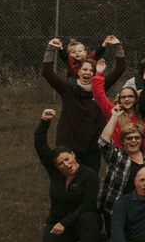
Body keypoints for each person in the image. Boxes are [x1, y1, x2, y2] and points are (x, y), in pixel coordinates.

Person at [34, 108, 102, 242]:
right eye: (61, 163)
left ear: (73, 155)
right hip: (58, 220)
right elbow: (41, 146)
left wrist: (64, 222)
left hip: (84, 219)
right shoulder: (56, 173)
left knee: (89, 218)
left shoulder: (89, 175)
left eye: (67, 159)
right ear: (56, 167)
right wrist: (44, 122)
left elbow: (87, 204)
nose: (66, 164)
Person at [42, 36, 126, 168]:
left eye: (92, 71)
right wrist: (51, 48)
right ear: (78, 71)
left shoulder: (100, 88)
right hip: (69, 145)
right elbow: (48, 73)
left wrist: (117, 46)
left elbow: (120, 69)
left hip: (92, 146)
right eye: (85, 69)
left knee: (91, 181)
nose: (88, 73)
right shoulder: (67, 89)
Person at [95, 110, 145, 214]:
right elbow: (103, 142)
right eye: (129, 138)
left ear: (141, 140)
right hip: (117, 210)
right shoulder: (116, 156)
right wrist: (114, 116)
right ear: (123, 141)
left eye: (137, 138)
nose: (133, 141)